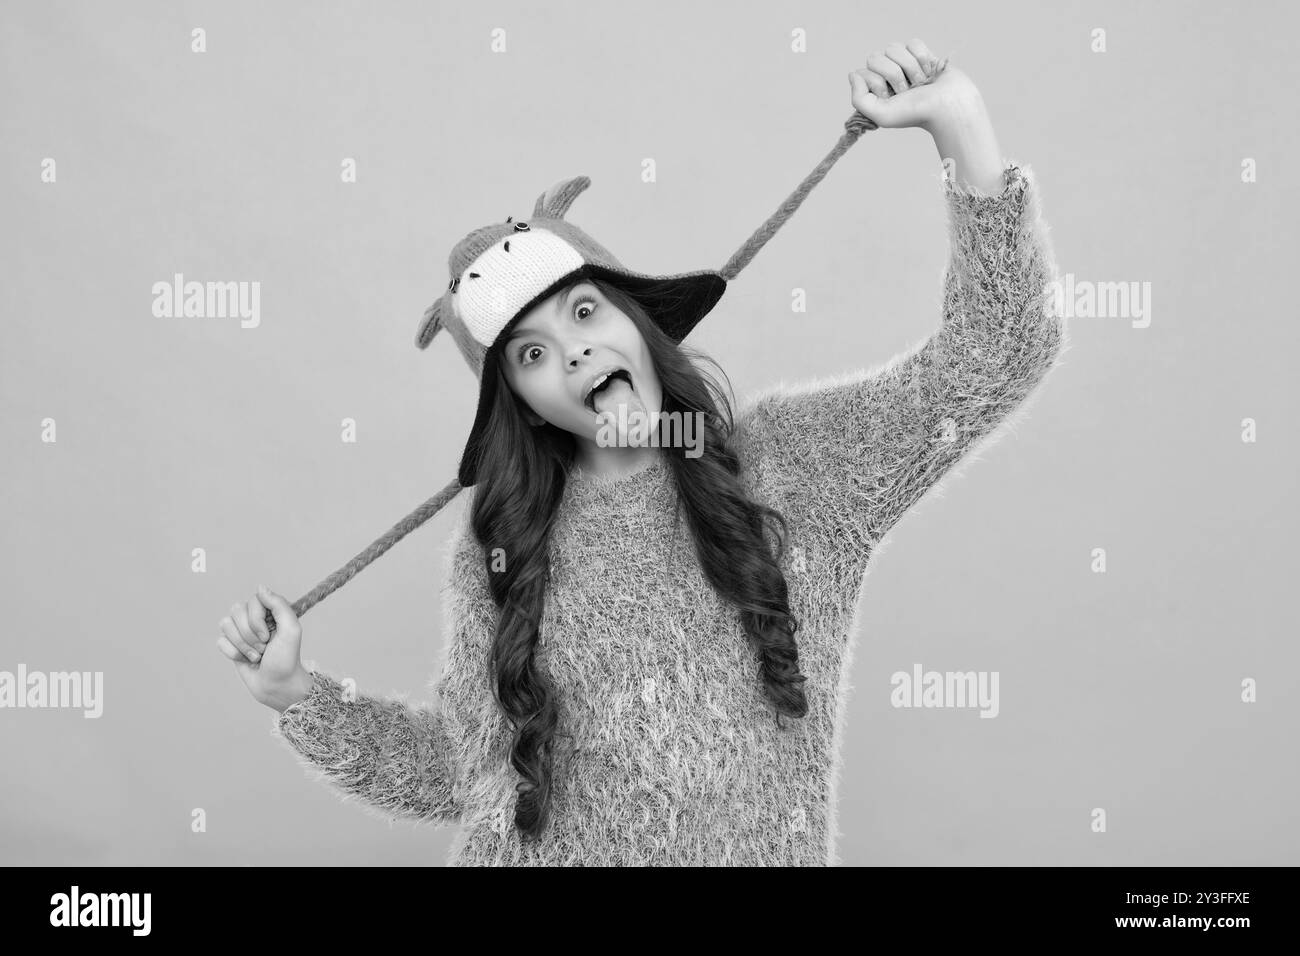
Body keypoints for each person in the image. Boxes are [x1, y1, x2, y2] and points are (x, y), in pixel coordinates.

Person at [215, 38, 1068, 866]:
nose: (575, 352)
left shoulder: (794, 467)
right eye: (533, 353)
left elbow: (994, 357)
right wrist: (299, 696)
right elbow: (467, 770)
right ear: (525, 405)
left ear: (639, 320)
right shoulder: (502, 545)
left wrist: (959, 123)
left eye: (584, 313)